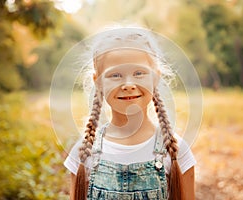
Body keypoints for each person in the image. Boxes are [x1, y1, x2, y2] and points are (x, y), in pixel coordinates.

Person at [64, 27, 196, 200]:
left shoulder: (177, 152)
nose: (128, 84)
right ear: (98, 82)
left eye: (139, 73)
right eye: (116, 75)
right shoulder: (83, 154)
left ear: (155, 77)